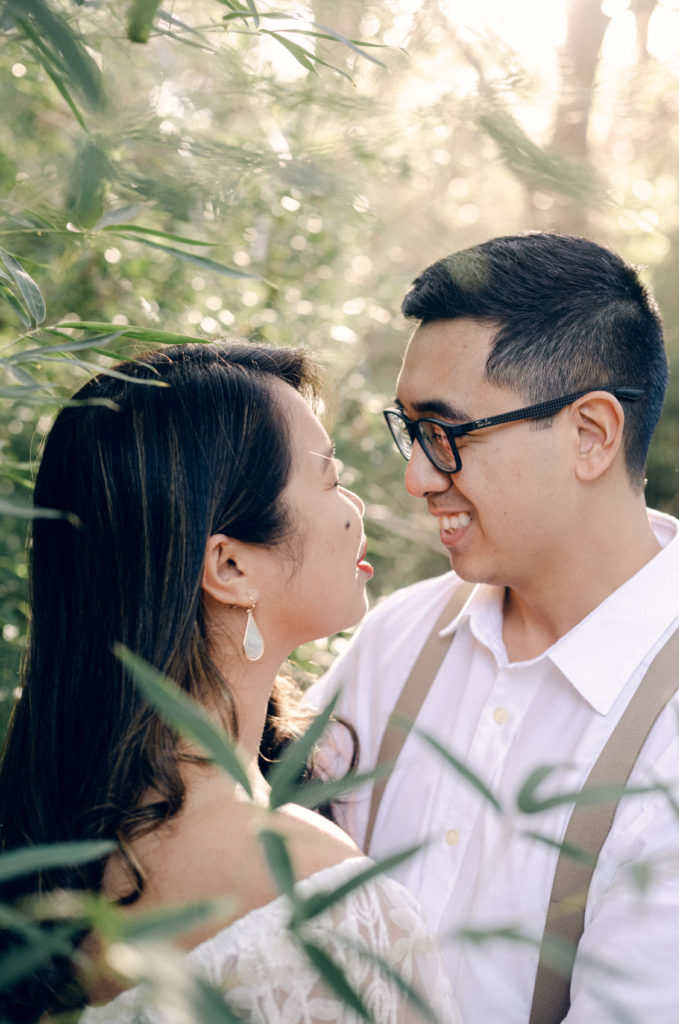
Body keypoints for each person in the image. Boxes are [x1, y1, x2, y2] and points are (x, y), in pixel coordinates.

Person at [0, 342, 460, 1024]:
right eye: (331, 478)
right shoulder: (309, 888)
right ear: (231, 568)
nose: (356, 505)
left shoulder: (43, 846)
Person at [307, 233, 679, 1024]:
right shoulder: (396, 639)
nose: (416, 477)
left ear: (589, 434)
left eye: (445, 435)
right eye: (410, 432)